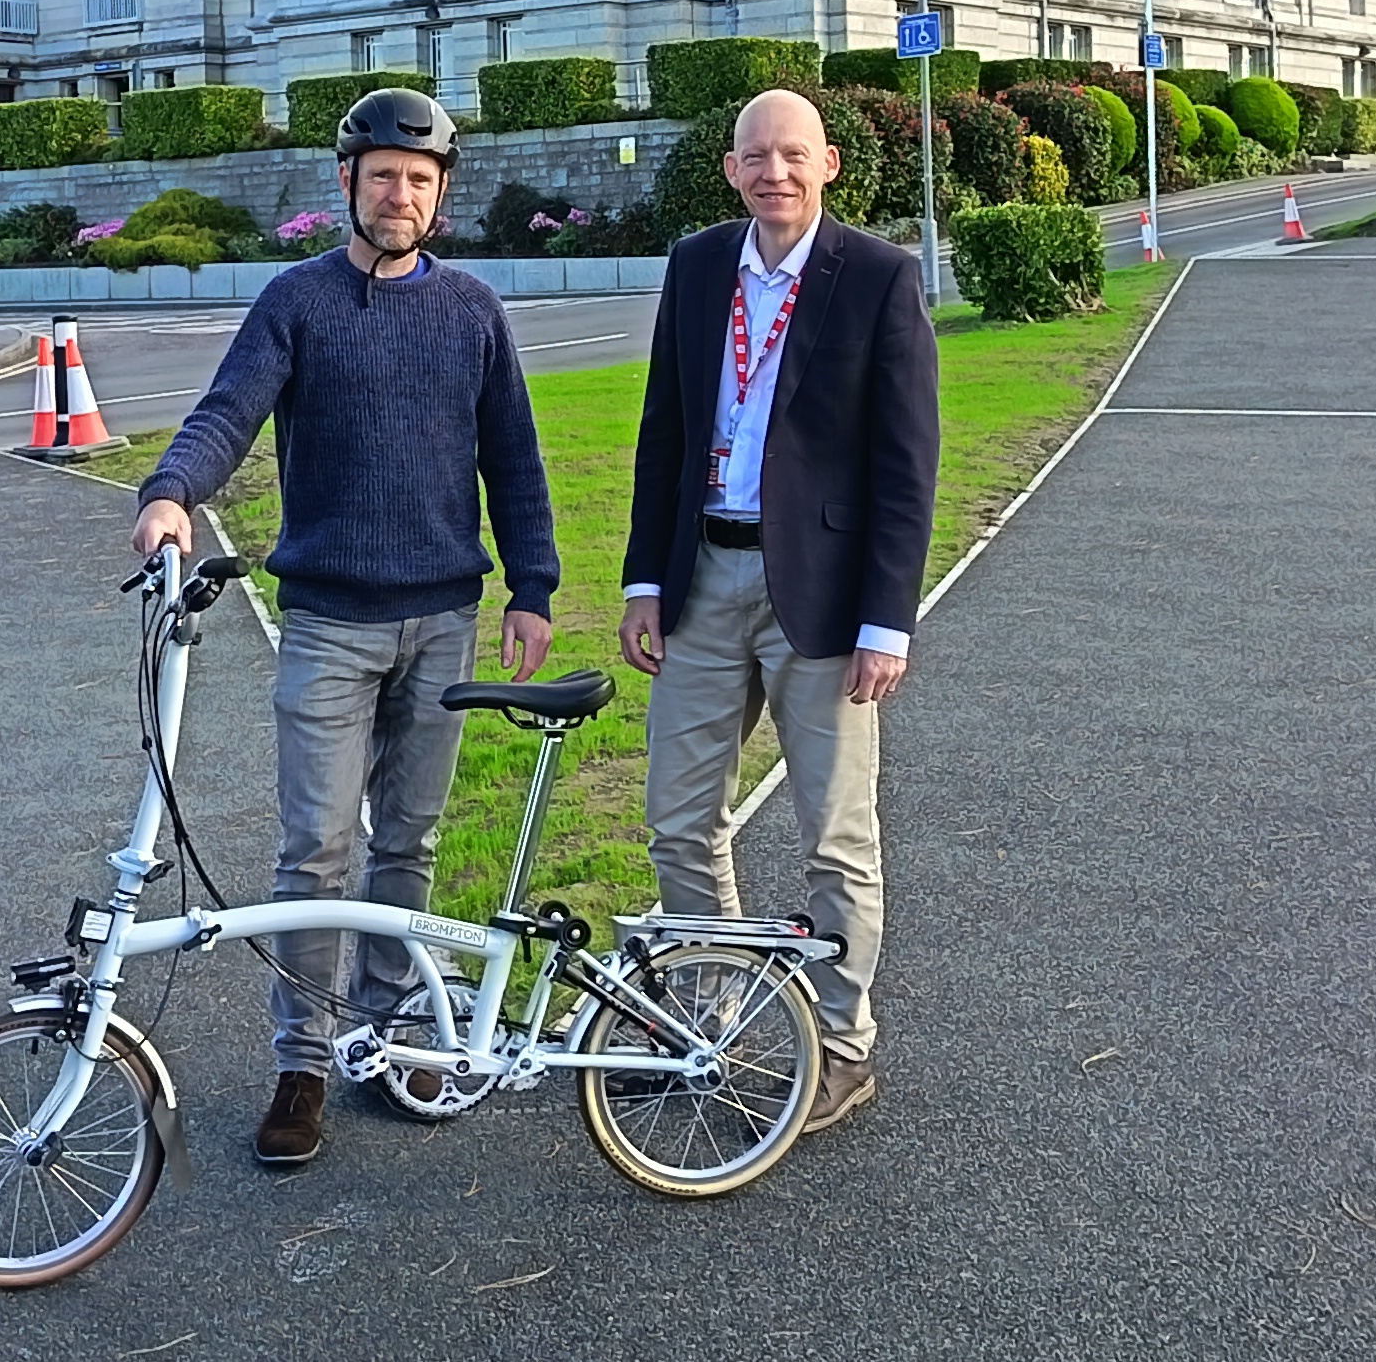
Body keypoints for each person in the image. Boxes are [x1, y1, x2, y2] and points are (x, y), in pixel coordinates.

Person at [131, 88, 557, 1168]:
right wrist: (173, 490)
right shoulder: (298, 302)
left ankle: (387, 1027)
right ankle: (303, 1062)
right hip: (326, 624)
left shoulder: (470, 311)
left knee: (406, 841)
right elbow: (226, 412)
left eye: (419, 180)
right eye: (382, 177)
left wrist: (533, 586)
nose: (400, 194)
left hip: (443, 618)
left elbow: (512, 457)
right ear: (348, 186)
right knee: (315, 850)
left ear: (439, 196)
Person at [617, 86, 939, 1132]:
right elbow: (664, 430)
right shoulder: (699, 264)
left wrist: (887, 620)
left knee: (836, 838)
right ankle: (706, 1026)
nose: (775, 173)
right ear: (731, 170)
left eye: (793, 155)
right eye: (756, 156)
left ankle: (842, 1045)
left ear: (829, 164)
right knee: (677, 820)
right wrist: (642, 581)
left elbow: (906, 463)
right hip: (704, 577)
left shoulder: (880, 278)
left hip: (827, 600)